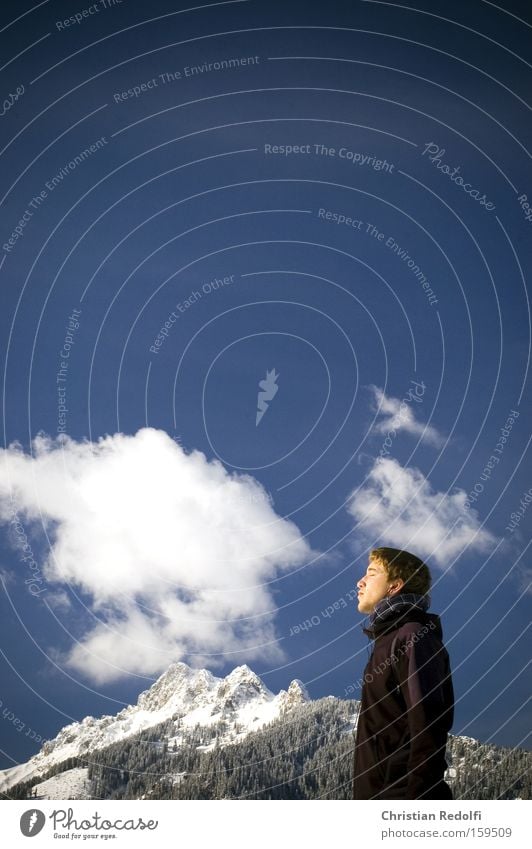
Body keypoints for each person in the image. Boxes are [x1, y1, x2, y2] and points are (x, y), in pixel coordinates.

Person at [352, 547, 454, 800]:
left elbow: (426, 721)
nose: (360, 582)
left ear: (394, 586)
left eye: (372, 573)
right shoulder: (389, 640)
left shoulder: (411, 636)